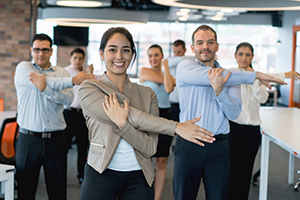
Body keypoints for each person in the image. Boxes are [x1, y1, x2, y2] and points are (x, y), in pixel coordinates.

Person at [78, 27, 215, 200]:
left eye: (126, 50)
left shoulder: (147, 94)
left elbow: (150, 148)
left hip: (139, 178)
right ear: (102, 53)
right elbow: (135, 116)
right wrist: (175, 127)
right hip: (100, 174)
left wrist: (122, 125)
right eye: (112, 49)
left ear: (132, 55)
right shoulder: (90, 88)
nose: (119, 56)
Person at [173, 25, 287, 200]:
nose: (205, 46)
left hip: (219, 146)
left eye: (210, 42)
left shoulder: (232, 78)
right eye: (200, 42)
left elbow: (233, 113)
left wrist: (219, 92)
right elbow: (210, 75)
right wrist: (255, 75)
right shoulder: (185, 67)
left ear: (217, 46)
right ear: (192, 47)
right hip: (189, 144)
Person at [14, 33, 94, 200]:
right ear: (31, 50)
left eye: (45, 50)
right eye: (37, 50)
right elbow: (48, 81)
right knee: (25, 193)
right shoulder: (24, 68)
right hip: (28, 140)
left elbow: (68, 99)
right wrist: (72, 80)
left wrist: (45, 90)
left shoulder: (61, 72)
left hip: (55, 141)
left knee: (57, 193)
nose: (40, 53)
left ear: (51, 51)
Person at [228, 42, 300, 200]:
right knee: (232, 170)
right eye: (240, 54)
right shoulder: (232, 73)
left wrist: (254, 78)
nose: (243, 58)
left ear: (252, 56)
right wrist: (278, 75)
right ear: (235, 55)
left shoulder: (258, 77)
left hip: (252, 131)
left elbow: (262, 97)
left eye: (247, 54)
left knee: (246, 171)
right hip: (233, 129)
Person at [139, 44, 175, 200]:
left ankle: (157, 198)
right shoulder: (144, 72)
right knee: (146, 159)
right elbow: (168, 86)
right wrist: (166, 69)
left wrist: (165, 67)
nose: (153, 59)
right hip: (148, 116)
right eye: (150, 55)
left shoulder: (168, 75)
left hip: (165, 115)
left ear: (162, 56)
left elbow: (167, 88)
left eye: (156, 55)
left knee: (161, 161)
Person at [63, 47, 95, 184]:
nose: (77, 60)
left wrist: (90, 73)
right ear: (71, 59)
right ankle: (60, 175)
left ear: (83, 59)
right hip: (68, 113)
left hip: (82, 115)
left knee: (83, 147)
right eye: (75, 58)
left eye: (80, 58)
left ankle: (81, 175)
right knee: (64, 147)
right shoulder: (65, 72)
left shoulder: (84, 73)